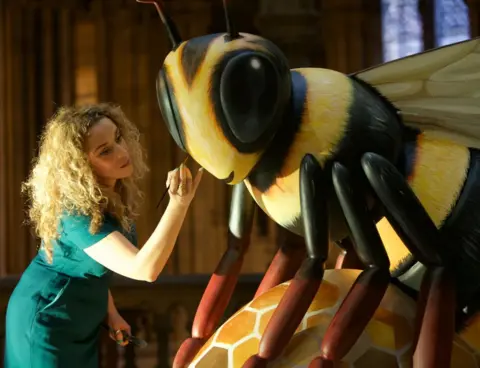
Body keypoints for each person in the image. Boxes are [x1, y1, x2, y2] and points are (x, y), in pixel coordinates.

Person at [4, 103, 204, 368]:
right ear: (80, 166)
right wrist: (179, 204)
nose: (122, 152)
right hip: (45, 322)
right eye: (106, 151)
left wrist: (110, 313)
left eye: (118, 138)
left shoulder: (110, 196)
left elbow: (92, 265)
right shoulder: (75, 214)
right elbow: (145, 269)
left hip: (79, 322)